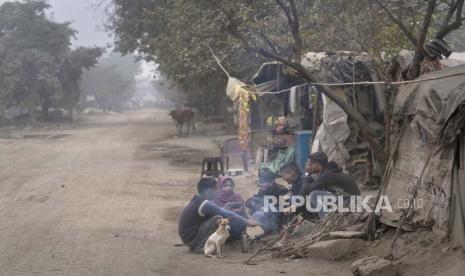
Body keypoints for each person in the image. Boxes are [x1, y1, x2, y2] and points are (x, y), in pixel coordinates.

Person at [178, 178, 260, 253]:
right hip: (190, 237)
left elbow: (220, 210)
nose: (217, 192)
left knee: (218, 216)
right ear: (209, 191)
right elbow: (225, 213)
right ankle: (201, 247)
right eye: (216, 190)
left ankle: (197, 244)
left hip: (188, 236)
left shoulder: (199, 200)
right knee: (217, 219)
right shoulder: (204, 204)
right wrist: (247, 222)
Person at [303, 152, 361, 219]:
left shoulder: (327, 175)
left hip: (351, 203)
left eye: (309, 165)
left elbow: (306, 190)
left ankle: (325, 220)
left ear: (316, 164)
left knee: (314, 195)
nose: (307, 167)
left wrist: (307, 174)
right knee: (314, 195)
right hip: (350, 200)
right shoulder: (329, 171)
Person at [245, 169, 288, 235]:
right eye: (261, 182)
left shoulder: (281, 190)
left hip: (279, 218)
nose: (261, 184)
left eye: (264, 182)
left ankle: (276, 231)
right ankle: (268, 231)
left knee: (265, 212)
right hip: (269, 214)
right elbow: (249, 201)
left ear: (272, 181)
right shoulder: (263, 190)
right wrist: (254, 204)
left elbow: (283, 209)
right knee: (253, 210)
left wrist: (264, 208)